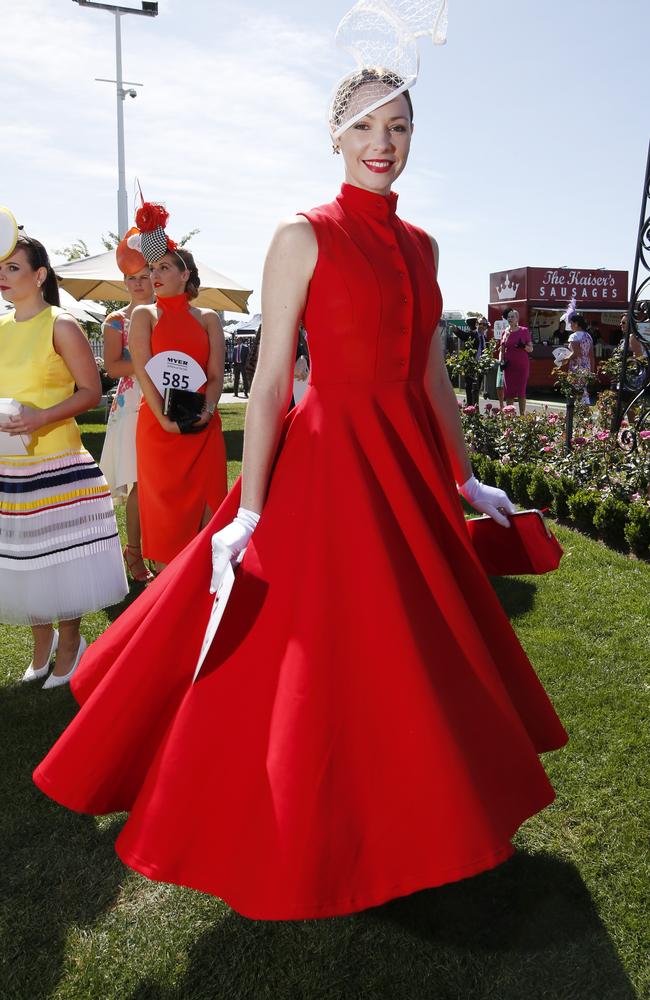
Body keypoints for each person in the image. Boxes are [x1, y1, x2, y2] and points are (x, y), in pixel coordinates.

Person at [34, 29, 567, 920]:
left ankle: (413, 816)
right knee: (319, 655)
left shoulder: (426, 247)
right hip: (329, 462)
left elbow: (430, 369)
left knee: (413, 651)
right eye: (364, 126)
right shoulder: (301, 233)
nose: (382, 143)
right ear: (334, 137)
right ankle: (301, 827)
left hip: (407, 465)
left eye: (399, 126)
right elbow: (275, 375)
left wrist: (465, 476)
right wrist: (250, 506)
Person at [0, 226, 128, 688]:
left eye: (13, 268)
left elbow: (92, 392)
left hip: (58, 463)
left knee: (59, 559)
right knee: (24, 557)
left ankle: (70, 644)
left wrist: (41, 417)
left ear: (39, 276)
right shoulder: (0, 328)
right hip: (9, 467)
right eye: (0, 269)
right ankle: (42, 647)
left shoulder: (61, 324)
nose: (3, 276)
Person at [129, 227, 228, 573]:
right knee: (165, 519)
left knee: (210, 523)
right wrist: (164, 420)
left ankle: (206, 587)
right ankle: (164, 585)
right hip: (158, 428)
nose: (154, 275)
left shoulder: (210, 319)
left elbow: (216, 375)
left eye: (164, 268)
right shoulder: (144, 315)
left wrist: (208, 410)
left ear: (185, 275)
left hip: (203, 424)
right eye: (152, 269)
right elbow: (143, 374)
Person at [99, 247, 155, 583]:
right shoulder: (116, 320)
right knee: (139, 480)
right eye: (130, 278)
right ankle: (134, 552)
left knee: (160, 480)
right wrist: (151, 359)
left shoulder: (168, 315)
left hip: (163, 399)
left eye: (143, 276)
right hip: (131, 404)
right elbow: (113, 366)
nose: (138, 283)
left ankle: (162, 549)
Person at [500, 309, 533, 415]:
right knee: (509, 392)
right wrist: (501, 361)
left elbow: (531, 349)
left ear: (517, 319)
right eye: (509, 317)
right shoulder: (505, 332)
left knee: (521, 391)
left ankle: (522, 416)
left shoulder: (524, 331)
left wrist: (523, 346)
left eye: (512, 317)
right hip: (509, 366)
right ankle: (510, 416)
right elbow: (502, 350)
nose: (510, 319)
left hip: (521, 366)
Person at [566, 312, 595, 403]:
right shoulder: (588, 336)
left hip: (576, 367)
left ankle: (572, 412)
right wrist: (592, 371)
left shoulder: (574, 336)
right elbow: (591, 355)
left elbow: (576, 353)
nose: (570, 325)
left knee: (574, 391)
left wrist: (564, 359)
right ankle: (584, 409)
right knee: (583, 390)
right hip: (586, 366)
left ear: (576, 324)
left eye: (571, 323)